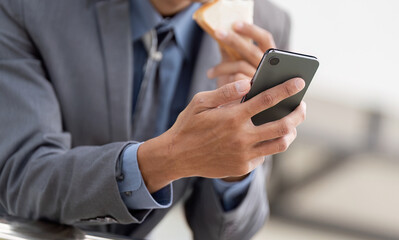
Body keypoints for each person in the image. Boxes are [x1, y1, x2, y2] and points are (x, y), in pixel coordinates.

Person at [0, 0, 305, 239]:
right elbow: (23, 178)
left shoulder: (264, 22)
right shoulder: (26, 7)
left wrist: (236, 165)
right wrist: (170, 159)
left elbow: (226, 234)